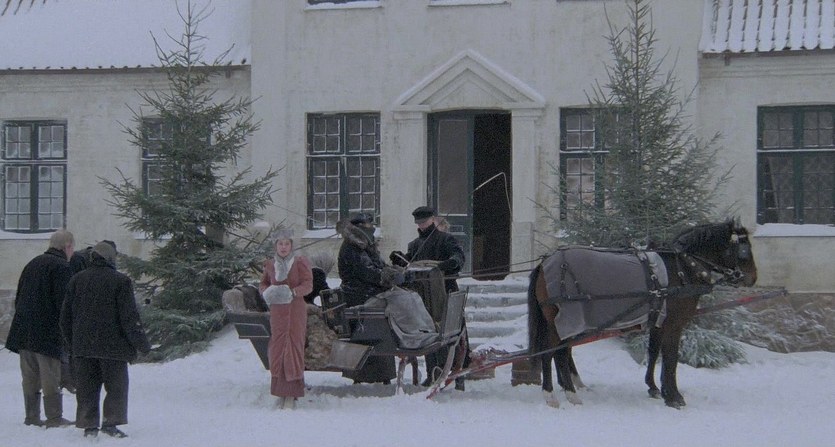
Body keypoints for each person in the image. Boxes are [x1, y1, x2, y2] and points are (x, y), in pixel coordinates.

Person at [61, 241, 150, 438]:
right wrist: (142, 344)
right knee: (116, 387)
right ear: (111, 258)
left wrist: (71, 343)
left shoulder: (77, 280)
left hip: (83, 346)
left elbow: (65, 317)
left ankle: (89, 424)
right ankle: (111, 422)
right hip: (114, 347)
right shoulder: (121, 281)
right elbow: (129, 317)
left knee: (86, 388)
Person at [390, 206, 470, 390]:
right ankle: (432, 372)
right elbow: (410, 263)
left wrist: (450, 264)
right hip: (423, 295)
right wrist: (400, 259)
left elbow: (458, 256)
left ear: (433, 220)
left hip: (446, 291)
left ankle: (458, 373)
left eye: (424, 221)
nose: (422, 225)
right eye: (419, 223)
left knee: (454, 332)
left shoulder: (446, 239)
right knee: (429, 333)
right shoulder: (415, 244)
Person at [5, 229, 75, 428]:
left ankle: (32, 416)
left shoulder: (33, 263)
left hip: (24, 330)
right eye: (72, 247)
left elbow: (20, 296)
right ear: (67, 246)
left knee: (30, 377)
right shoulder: (61, 267)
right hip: (46, 333)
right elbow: (63, 303)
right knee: (50, 376)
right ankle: (54, 417)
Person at [337, 212, 401, 384]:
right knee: (364, 338)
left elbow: (379, 265)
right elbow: (367, 272)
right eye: (368, 225)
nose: (372, 228)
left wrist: (394, 270)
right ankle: (361, 376)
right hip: (357, 298)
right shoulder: (352, 247)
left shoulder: (366, 244)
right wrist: (387, 277)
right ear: (360, 227)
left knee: (380, 336)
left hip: (371, 296)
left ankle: (382, 375)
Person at [259, 229, 313, 409]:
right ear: (276, 246)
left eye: (287, 244)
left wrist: (293, 292)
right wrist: (268, 292)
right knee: (278, 348)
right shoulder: (270, 264)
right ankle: (280, 391)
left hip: (295, 310)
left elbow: (308, 284)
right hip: (277, 312)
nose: (283, 247)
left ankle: (292, 393)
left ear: (291, 245)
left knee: (293, 347)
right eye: (280, 244)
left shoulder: (299, 262)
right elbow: (263, 283)